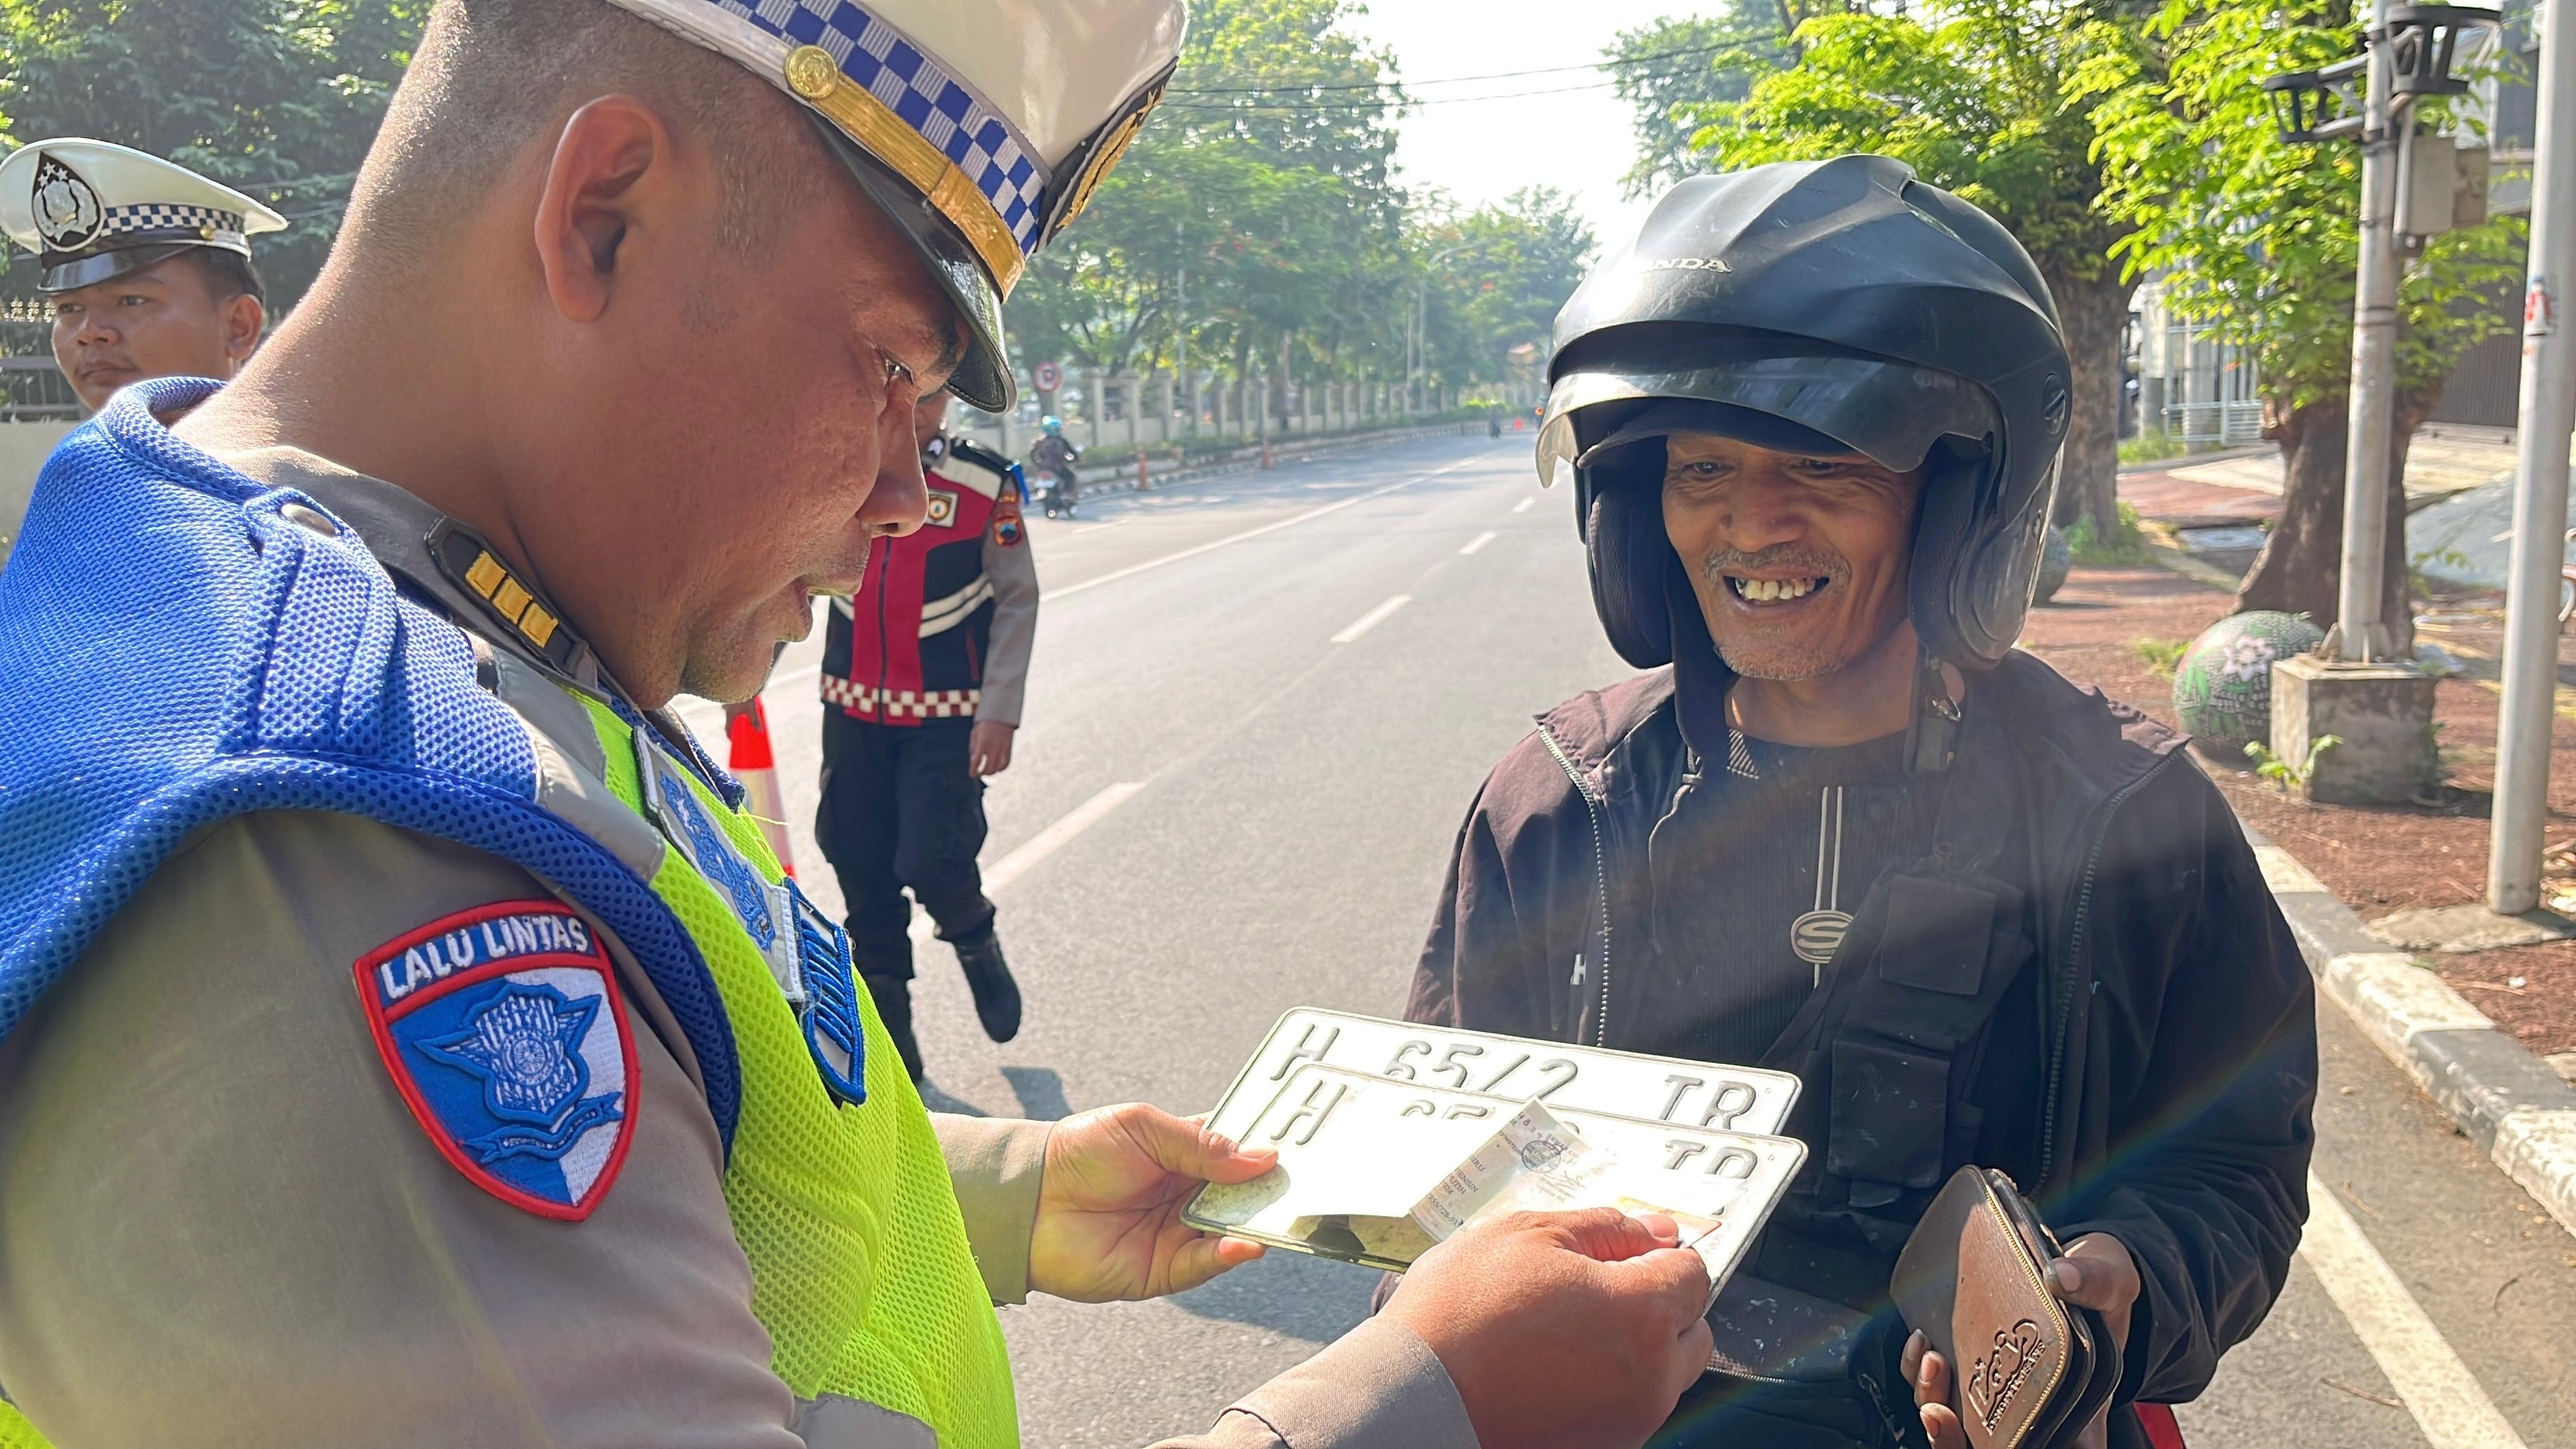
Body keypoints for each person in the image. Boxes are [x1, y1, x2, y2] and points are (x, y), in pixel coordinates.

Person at [0, 2, 1718, 1447]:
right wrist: (1423, 1401)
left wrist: (1001, 1188)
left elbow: (668, 1102)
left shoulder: (433, 605)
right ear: (603, 217)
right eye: (893, 367)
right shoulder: (315, 833)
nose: (909, 491)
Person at [1405, 156, 2318, 1449]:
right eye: (1702, 468)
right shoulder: (1560, 807)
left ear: (1958, 503)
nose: (1751, 524)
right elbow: (1443, 1163)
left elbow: (2234, 1162)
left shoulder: (2127, 821)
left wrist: (2130, 1283)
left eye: (1823, 465)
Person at [819, 391, 1037, 1081]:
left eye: (934, 391)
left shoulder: (985, 482)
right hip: (851, 707)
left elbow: (1017, 598)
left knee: (931, 856)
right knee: (859, 862)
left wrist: (1000, 710)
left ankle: (975, 938)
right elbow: (787, 563)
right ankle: (895, 1039)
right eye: (901, 383)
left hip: (947, 713)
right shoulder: (834, 467)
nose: (916, 404)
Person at [0, 138, 283, 413]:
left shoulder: (290, 446)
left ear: (239, 326)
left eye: (131, 300)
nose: (90, 333)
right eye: (69, 308)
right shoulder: (81, 450)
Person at [1030, 412, 1080, 513]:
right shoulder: (1061, 441)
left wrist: (1038, 464)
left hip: (1043, 468)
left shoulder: (1039, 441)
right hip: (1057, 468)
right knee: (1070, 477)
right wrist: (1076, 459)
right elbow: (1071, 453)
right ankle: (1065, 494)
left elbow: (1032, 454)